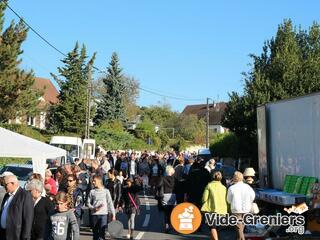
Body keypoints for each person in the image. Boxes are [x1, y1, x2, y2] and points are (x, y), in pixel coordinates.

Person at [0, 174, 34, 240]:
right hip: (3, 233)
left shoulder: (25, 195)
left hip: (15, 235)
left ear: (13, 183)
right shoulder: (7, 195)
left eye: (5, 184)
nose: (4, 186)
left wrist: (25, 237)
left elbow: (28, 218)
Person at [227, 171, 255, 240]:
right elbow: (253, 197)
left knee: (239, 228)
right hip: (246, 209)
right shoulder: (248, 187)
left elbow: (228, 200)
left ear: (234, 178)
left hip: (236, 210)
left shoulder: (231, 188)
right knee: (241, 228)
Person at [87, 175, 116, 240]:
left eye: (94, 181)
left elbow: (110, 203)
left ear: (99, 181)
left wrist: (114, 214)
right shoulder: (92, 191)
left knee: (102, 234)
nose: (93, 182)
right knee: (95, 234)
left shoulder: (106, 191)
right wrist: (93, 208)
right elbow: (88, 203)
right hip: (94, 215)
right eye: (92, 181)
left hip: (103, 215)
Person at [201, 171, 228, 240]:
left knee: (212, 227)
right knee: (217, 227)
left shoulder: (209, 185)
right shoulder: (224, 187)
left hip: (211, 209)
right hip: (222, 210)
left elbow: (204, 198)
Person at [157, 166, 176, 233]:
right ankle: (171, 224)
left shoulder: (163, 178)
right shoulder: (174, 179)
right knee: (172, 211)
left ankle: (167, 225)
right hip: (173, 195)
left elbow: (159, 185)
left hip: (165, 195)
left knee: (166, 212)